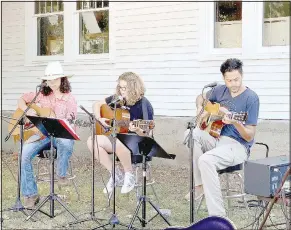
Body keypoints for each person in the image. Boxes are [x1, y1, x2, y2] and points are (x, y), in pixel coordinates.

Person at [184, 58, 260, 217]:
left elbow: (249, 135)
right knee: (191, 134)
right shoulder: (219, 91)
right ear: (224, 78)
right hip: (216, 138)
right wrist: (200, 107)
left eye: (236, 79)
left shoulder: (251, 98)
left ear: (242, 75)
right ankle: (199, 186)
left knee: (205, 160)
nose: (233, 84)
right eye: (229, 80)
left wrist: (236, 123)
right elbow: (201, 97)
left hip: (237, 146)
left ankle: (218, 217)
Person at [18, 61, 77, 208]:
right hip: (42, 134)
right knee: (24, 154)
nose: (52, 83)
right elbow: (21, 99)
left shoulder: (69, 98)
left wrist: (66, 123)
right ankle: (31, 194)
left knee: (65, 142)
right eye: (49, 80)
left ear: (62, 79)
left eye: (55, 79)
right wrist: (27, 109)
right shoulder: (41, 94)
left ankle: (61, 175)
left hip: (60, 134)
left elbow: (71, 123)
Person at [87, 72, 154, 194]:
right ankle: (115, 174)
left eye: (124, 88)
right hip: (118, 139)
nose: (121, 91)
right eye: (120, 87)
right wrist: (99, 118)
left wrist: (138, 129)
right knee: (92, 141)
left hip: (138, 143)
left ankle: (129, 175)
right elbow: (97, 104)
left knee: (118, 140)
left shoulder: (144, 104)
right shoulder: (118, 99)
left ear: (133, 88)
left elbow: (147, 132)